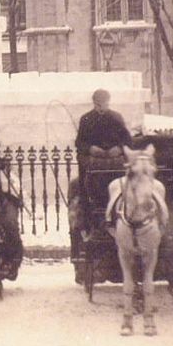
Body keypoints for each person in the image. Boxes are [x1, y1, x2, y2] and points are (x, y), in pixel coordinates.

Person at [70, 89, 132, 266]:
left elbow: (127, 140)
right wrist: (91, 149)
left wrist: (118, 149)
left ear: (109, 102)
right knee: (89, 178)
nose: (101, 108)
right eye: (98, 104)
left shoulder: (116, 118)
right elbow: (79, 142)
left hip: (114, 162)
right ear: (94, 103)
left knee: (121, 176)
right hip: (94, 162)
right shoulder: (86, 119)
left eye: (104, 104)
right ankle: (91, 214)